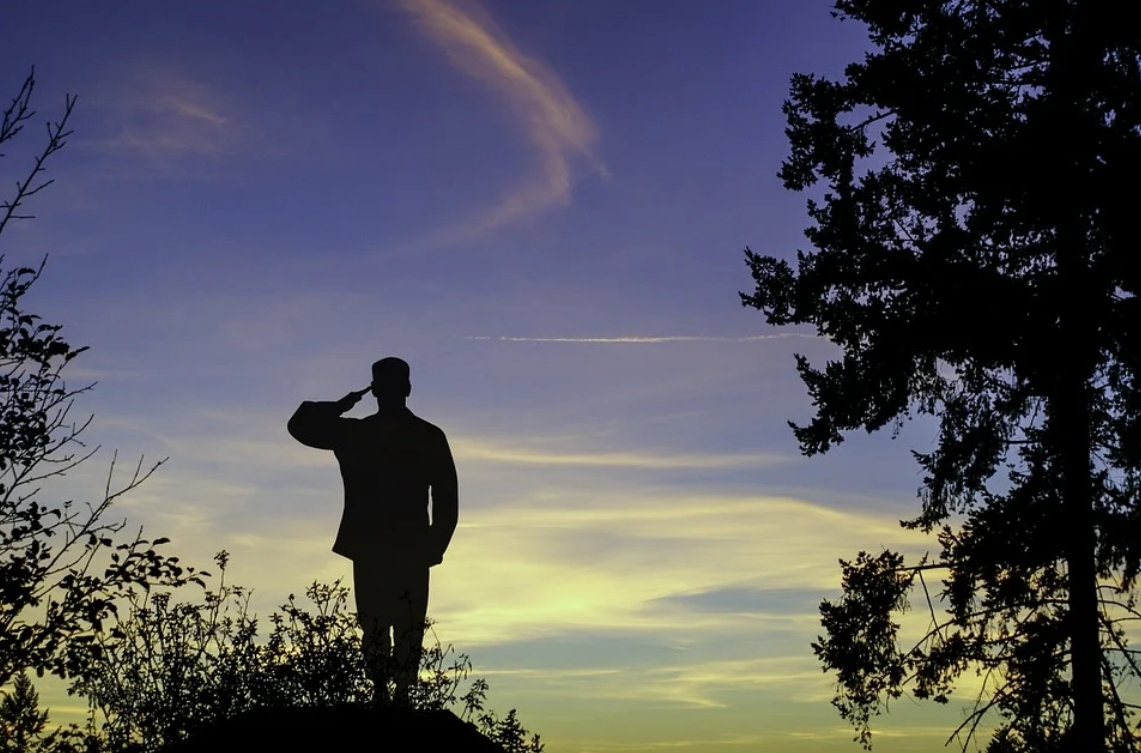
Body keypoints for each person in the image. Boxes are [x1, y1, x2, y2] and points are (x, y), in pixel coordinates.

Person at [287, 356, 458, 706]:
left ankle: (391, 692)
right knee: (394, 623)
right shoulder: (421, 435)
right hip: (401, 546)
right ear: (407, 388)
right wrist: (434, 545)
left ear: (376, 389)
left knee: (385, 623)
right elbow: (447, 501)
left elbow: (301, 424)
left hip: (384, 546)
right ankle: (392, 692)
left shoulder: (358, 433)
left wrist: (340, 405)